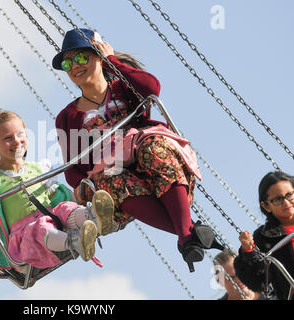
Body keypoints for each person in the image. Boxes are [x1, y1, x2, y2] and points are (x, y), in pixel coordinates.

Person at [53, 28, 223, 272]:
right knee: (110, 177)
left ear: (98, 56)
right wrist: (84, 187)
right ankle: (187, 232)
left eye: (81, 58)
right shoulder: (67, 117)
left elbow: (151, 87)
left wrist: (112, 60)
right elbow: (73, 169)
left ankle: (186, 236)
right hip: (112, 175)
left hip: (147, 158)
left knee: (156, 148)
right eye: (68, 63)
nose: (74, 66)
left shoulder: (124, 89)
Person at [0, 109, 116, 271]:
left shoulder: (38, 169)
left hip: (54, 221)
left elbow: (58, 200)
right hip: (27, 240)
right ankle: (75, 242)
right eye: (8, 138)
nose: (16, 141)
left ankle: (95, 217)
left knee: (65, 209)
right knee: (39, 227)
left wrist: (61, 194)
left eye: (20, 134)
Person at [234, 171, 294, 300]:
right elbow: (258, 282)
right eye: (278, 199)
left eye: (289, 195)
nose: (286, 202)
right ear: (266, 206)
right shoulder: (265, 238)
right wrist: (249, 251)